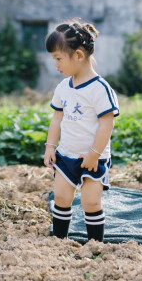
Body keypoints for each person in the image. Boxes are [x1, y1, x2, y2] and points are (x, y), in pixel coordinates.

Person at [42, 19, 119, 243]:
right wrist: (50, 147)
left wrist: (94, 154)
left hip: (93, 157)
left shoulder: (100, 89)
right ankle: (59, 241)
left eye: (58, 58)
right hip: (66, 154)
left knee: (91, 202)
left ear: (78, 55)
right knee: (62, 198)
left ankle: (95, 245)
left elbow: (107, 124)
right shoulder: (63, 87)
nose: (55, 65)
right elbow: (57, 119)